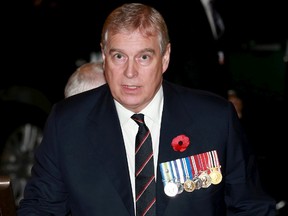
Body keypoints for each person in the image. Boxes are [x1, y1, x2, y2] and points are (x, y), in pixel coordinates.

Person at [17, 3, 275, 215]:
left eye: (144, 57)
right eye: (119, 56)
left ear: (165, 58)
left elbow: (252, 207)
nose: (130, 72)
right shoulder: (68, 123)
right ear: (104, 57)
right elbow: (40, 208)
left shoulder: (214, 119)